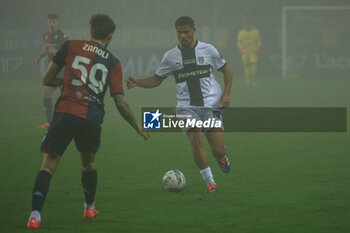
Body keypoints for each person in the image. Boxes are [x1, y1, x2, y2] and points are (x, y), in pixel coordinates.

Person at [27, 14, 150, 229]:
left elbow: (47, 79)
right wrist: (137, 126)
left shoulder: (70, 45)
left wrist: (69, 84)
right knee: (88, 164)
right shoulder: (113, 62)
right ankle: (89, 207)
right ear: (110, 35)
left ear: (91, 30)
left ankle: (35, 215)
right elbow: (120, 101)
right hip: (90, 118)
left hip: (65, 112)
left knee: (48, 166)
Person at [126, 16, 233, 194]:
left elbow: (227, 71)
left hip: (211, 104)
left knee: (217, 149)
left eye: (186, 32)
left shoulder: (208, 50)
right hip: (186, 107)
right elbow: (156, 79)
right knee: (195, 140)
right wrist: (137, 82)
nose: (183, 36)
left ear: (194, 31)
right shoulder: (170, 56)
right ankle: (210, 183)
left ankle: (221, 157)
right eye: (179, 32)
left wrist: (226, 94)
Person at [35, 14, 68, 128]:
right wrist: (40, 56)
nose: (52, 24)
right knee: (46, 94)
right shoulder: (45, 35)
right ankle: (49, 122)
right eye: (50, 21)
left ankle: (66, 121)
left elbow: (67, 51)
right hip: (51, 70)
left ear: (57, 22)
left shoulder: (63, 36)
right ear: (47, 23)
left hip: (62, 70)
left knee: (65, 97)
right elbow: (47, 48)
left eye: (54, 21)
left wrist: (56, 51)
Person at [237, 20, 261, 86]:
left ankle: (253, 80)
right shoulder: (241, 32)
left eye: (249, 24)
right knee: (246, 66)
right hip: (245, 52)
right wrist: (240, 49)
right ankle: (248, 80)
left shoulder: (255, 32)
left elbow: (258, 40)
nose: (247, 26)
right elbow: (239, 42)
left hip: (253, 52)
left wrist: (257, 47)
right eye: (246, 24)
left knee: (254, 65)